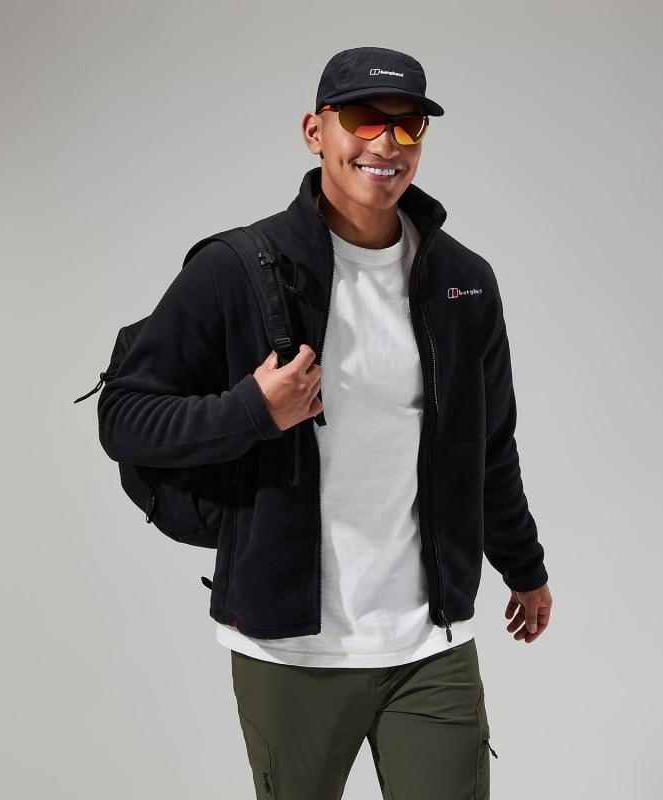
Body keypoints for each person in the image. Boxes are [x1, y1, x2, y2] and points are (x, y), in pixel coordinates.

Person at [98, 45, 552, 800]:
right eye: (365, 119)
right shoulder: (238, 269)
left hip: (428, 640)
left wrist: (524, 566)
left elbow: (489, 443)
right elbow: (124, 415)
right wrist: (253, 410)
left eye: (408, 126)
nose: (387, 143)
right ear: (316, 131)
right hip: (290, 648)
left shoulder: (464, 281)